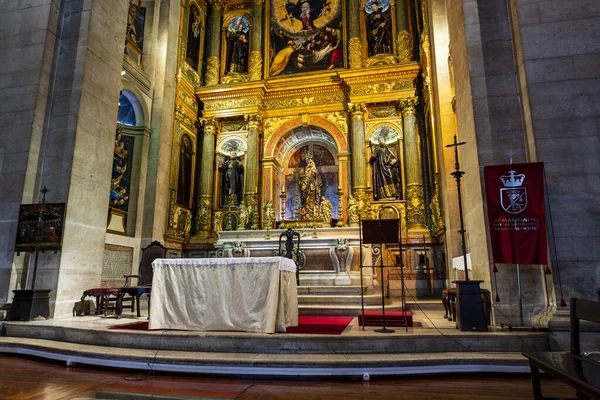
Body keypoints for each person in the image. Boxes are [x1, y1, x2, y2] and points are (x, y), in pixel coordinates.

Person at [369, 136, 400, 200]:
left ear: (385, 141)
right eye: (379, 140)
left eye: (382, 140)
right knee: (382, 181)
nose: (381, 141)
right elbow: (373, 160)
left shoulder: (388, 150)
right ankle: (384, 195)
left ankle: (393, 193)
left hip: (388, 167)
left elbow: (394, 158)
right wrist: (372, 157)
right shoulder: (377, 150)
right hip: (381, 169)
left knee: (391, 178)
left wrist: (394, 161)